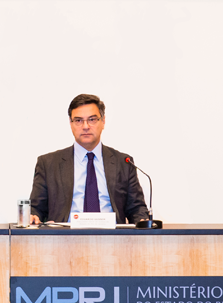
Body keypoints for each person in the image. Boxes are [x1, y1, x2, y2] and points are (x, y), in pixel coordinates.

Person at [29, 93, 148, 225]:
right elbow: (36, 209)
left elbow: (136, 209)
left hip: (112, 236)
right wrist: (33, 216)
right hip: (64, 235)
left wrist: (142, 220)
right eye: (78, 120)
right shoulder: (48, 164)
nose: (85, 126)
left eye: (92, 119)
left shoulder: (124, 162)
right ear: (70, 123)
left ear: (103, 121)